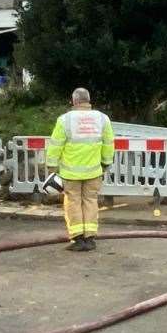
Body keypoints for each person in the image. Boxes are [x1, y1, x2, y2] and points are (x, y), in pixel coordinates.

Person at [46, 88, 115, 252]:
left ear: (74, 101)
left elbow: (56, 145)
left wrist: (51, 166)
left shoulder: (64, 120)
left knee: (73, 202)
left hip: (71, 173)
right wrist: (105, 163)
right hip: (94, 171)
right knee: (91, 201)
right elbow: (108, 143)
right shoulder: (102, 119)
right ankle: (90, 238)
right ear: (89, 100)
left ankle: (78, 239)